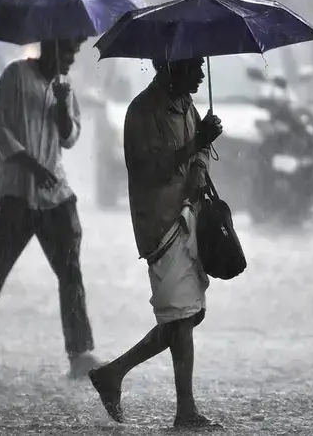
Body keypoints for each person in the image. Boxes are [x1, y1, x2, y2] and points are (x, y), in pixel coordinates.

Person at [0, 38, 99, 379]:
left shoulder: (65, 87)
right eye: (67, 51)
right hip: (15, 193)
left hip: (56, 195)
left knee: (70, 270)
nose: (71, 58)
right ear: (50, 47)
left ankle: (80, 352)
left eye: (75, 52)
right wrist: (32, 166)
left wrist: (61, 107)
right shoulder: (15, 76)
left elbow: (69, 138)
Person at [88, 57, 223, 429]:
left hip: (187, 216)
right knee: (181, 317)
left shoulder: (186, 105)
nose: (201, 73)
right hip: (160, 224)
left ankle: (114, 373)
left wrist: (199, 161)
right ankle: (184, 410)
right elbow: (150, 172)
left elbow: (196, 158)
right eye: (193, 66)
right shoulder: (142, 112)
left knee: (189, 314)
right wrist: (198, 141)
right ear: (169, 67)